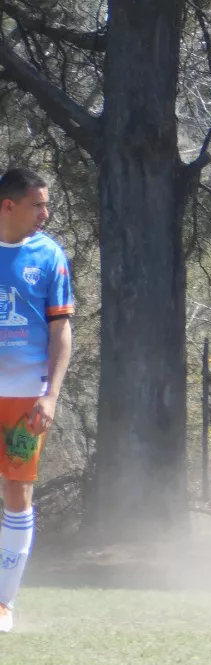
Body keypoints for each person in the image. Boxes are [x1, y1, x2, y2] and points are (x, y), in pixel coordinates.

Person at [0, 167, 74, 633]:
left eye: (47, 204)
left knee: (17, 492)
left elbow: (61, 328)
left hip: (26, 399)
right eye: (37, 205)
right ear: (7, 205)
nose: (46, 214)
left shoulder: (50, 255)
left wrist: (51, 395)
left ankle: (3, 605)